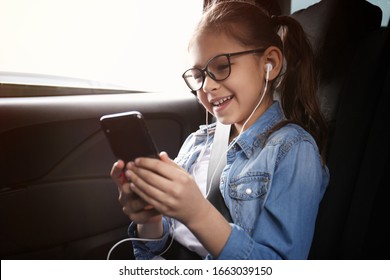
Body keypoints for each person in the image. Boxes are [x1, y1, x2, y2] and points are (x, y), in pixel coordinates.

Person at [110, 1, 329, 260]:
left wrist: (198, 213)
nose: (208, 86)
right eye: (198, 75)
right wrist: (150, 219)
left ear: (269, 63)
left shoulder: (292, 150)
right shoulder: (198, 143)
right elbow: (164, 242)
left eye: (222, 67)